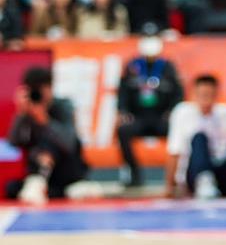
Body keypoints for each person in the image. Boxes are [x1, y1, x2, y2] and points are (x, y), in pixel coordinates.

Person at [6, 66, 97, 204]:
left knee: (49, 144)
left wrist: (45, 120)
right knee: (11, 188)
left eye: (40, 89)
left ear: (49, 87)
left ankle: (64, 188)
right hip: (41, 174)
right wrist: (20, 114)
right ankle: (40, 185)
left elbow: (69, 143)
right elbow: (13, 142)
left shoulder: (64, 106)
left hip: (67, 171)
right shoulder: (27, 112)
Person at [116, 35, 182, 187]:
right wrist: (124, 111)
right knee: (123, 131)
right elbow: (123, 92)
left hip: (161, 117)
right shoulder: (132, 66)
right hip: (139, 117)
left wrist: (172, 111)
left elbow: (178, 93)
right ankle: (134, 174)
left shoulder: (167, 67)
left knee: (179, 133)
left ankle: (177, 175)